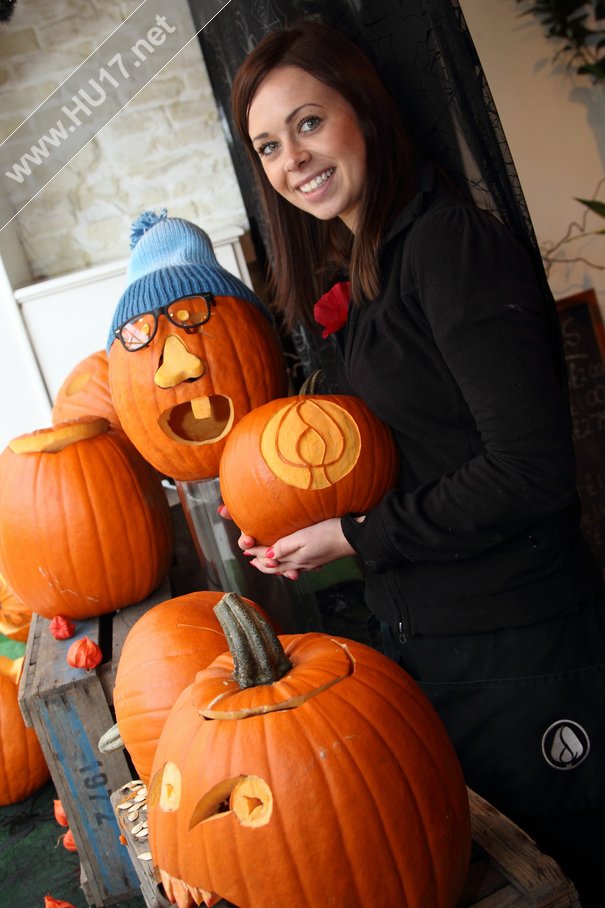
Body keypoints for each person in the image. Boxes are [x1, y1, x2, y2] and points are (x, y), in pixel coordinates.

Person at [220, 18, 605, 903]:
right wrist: (289, 521)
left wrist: (352, 533)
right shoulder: (366, 269)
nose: (292, 159)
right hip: (439, 648)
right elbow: (402, 457)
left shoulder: (450, 248)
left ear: (368, 112)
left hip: (523, 648)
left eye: (308, 123)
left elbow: (528, 470)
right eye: (268, 145)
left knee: (571, 875)